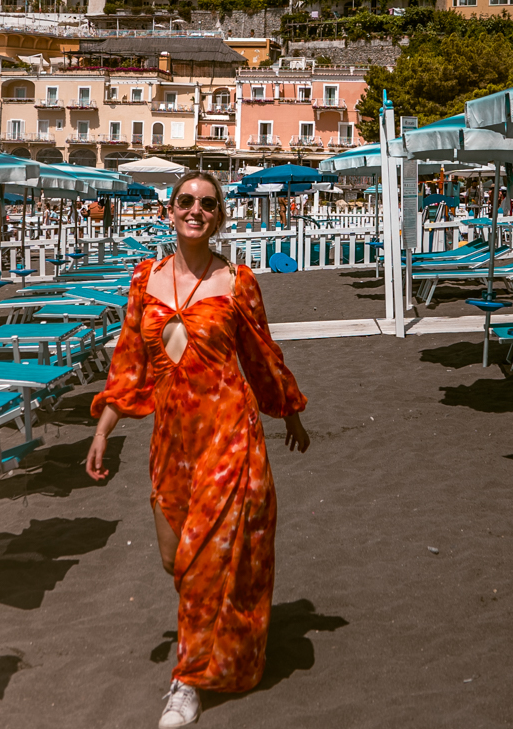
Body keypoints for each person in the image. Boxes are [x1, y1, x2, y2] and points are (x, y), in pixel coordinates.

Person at [86, 171, 311, 728]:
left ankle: (185, 684)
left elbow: (262, 354)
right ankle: (221, 644)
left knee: (204, 558)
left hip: (230, 436)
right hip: (172, 444)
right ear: (169, 212)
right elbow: (129, 362)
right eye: (186, 201)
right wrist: (103, 426)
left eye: (208, 204)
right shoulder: (145, 279)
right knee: (176, 559)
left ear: (219, 217)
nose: (196, 209)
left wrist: (288, 409)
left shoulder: (236, 281)